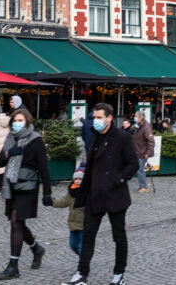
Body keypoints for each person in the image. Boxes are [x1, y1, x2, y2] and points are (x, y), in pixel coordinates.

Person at [64, 102, 137, 285]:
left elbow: (133, 164)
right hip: (94, 193)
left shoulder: (122, 137)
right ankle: (82, 273)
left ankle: (119, 274)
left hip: (115, 194)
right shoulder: (94, 136)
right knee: (88, 234)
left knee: (118, 236)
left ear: (109, 118)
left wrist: (118, 179)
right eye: (94, 117)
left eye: (99, 117)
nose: (95, 121)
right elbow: (90, 166)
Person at [0, 107, 52, 280]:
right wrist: (8, 153)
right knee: (17, 222)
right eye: (15, 121)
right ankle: (36, 248)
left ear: (27, 122)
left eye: (21, 121)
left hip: (27, 187)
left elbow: (44, 168)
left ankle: (13, 266)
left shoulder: (35, 140)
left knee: (15, 220)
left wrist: (47, 193)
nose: (17, 123)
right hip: (11, 185)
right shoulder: (10, 138)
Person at [52, 167, 86, 258]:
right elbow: (63, 202)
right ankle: (85, 259)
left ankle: (82, 264)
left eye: (80, 179)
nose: (78, 181)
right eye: (76, 179)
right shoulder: (71, 192)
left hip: (84, 225)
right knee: (73, 245)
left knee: (81, 247)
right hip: (73, 224)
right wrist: (52, 202)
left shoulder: (87, 192)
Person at [132, 110, 155, 194]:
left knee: (140, 170)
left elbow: (151, 141)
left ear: (141, 117)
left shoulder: (146, 127)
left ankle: (143, 187)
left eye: (136, 116)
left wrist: (148, 153)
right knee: (139, 169)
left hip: (142, 152)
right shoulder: (139, 125)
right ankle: (142, 185)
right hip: (138, 151)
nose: (134, 117)